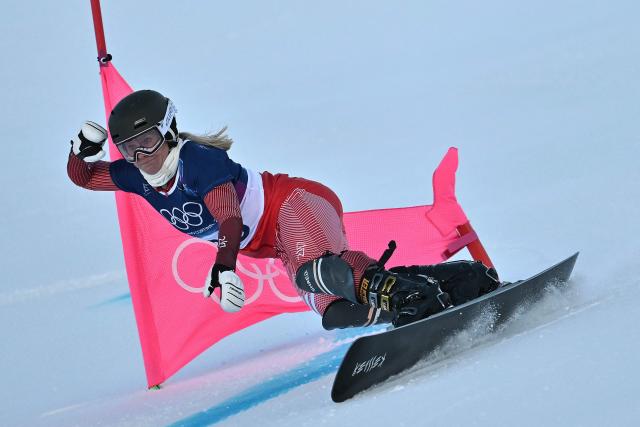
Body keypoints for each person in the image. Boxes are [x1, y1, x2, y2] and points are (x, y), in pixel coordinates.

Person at [68, 89, 499, 329]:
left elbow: (230, 219)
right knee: (334, 311)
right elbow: (84, 176)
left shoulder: (198, 161)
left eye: (148, 142)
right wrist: (80, 152)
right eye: (129, 148)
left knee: (315, 272)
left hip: (295, 203)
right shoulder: (135, 176)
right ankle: (462, 281)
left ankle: (414, 300)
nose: (141, 156)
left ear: (170, 130)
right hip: (275, 238)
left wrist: (225, 266)